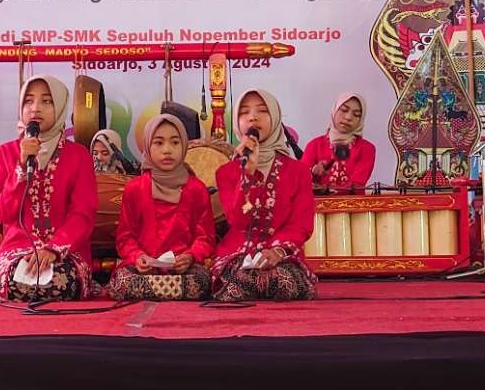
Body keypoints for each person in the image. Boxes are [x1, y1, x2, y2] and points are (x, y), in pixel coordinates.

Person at [0, 75, 97, 301]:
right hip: (16, 250)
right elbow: (3, 213)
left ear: (60, 106)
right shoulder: (5, 154)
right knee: (13, 280)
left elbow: (83, 215)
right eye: (28, 101)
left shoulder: (79, 156)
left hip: (66, 253)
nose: (36, 108)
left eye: (47, 101)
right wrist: (20, 167)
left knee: (60, 281)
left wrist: (53, 249)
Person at [211, 89, 317, 301]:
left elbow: (301, 223)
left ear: (275, 118)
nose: (252, 117)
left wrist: (277, 251)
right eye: (244, 112)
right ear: (237, 122)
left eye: (262, 111)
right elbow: (238, 220)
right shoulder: (227, 172)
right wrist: (247, 174)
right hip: (239, 254)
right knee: (235, 287)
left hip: (282, 255)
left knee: (284, 282)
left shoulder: (298, 171)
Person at [106, 114, 215, 300]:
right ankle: (168, 292)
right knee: (123, 281)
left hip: (182, 271)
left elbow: (205, 238)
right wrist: (137, 257)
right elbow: (125, 238)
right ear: (148, 146)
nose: (167, 150)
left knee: (201, 281)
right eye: (159, 143)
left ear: (184, 146)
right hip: (144, 270)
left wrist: (190, 255)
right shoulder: (135, 189)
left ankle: (155, 291)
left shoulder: (196, 189)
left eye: (175, 143)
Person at [301, 92, 376, 192]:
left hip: (352, 206)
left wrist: (325, 190)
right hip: (317, 206)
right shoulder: (314, 145)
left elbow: (357, 185)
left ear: (361, 119)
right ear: (334, 110)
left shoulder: (366, 148)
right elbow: (300, 181)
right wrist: (313, 172)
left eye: (356, 114)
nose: (348, 117)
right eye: (344, 110)